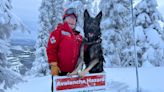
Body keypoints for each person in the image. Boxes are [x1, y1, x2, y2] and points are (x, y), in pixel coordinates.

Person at [46, 8, 83, 76]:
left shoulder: (79, 37)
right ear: (64, 19)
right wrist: (53, 64)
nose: (72, 20)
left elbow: (84, 51)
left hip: (74, 73)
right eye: (69, 18)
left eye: (74, 19)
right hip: (60, 72)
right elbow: (51, 49)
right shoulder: (58, 32)